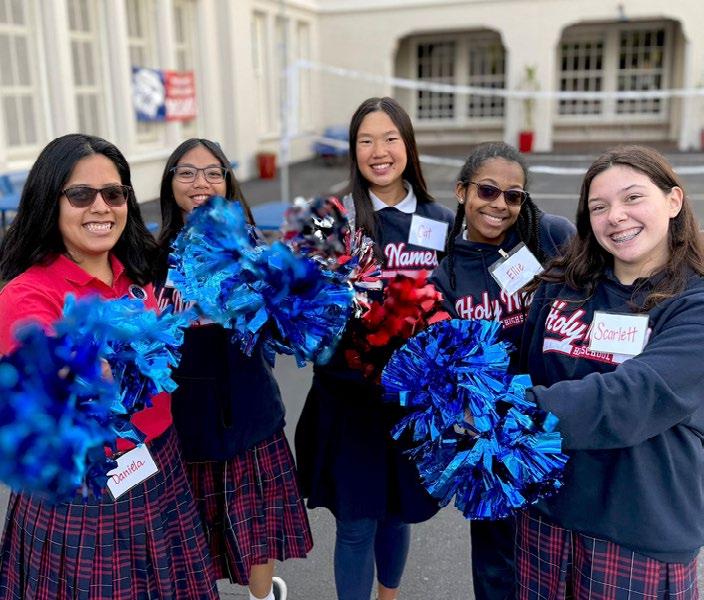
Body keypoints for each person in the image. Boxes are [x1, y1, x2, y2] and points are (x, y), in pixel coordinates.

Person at [0, 133, 218, 599]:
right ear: (50, 202)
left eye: (113, 194)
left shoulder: (140, 268)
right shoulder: (26, 295)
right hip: (82, 489)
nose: (101, 207)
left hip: (159, 462)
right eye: (81, 194)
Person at [517, 145, 704, 600]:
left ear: (674, 201)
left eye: (632, 198)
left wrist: (507, 409)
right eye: (598, 207)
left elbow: (634, 396)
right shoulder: (563, 286)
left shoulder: (693, 304)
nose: (615, 216)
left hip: (637, 529)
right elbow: (522, 369)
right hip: (546, 514)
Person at [295, 97, 455, 600]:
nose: (378, 151)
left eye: (390, 138)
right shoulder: (329, 218)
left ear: (408, 145)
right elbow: (305, 310)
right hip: (349, 401)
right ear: (353, 149)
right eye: (366, 140)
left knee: (396, 513)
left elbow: (458, 302)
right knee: (356, 522)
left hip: (411, 402)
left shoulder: (441, 220)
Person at [155, 138, 313, 600]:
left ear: (227, 182)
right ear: (170, 183)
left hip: (249, 408)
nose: (200, 182)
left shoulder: (251, 248)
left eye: (212, 172)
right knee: (191, 532)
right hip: (183, 416)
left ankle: (262, 597)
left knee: (256, 523)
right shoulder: (151, 256)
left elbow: (282, 328)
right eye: (187, 172)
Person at [430, 141, 575, 600]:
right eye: (488, 191)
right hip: (491, 436)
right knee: (497, 562)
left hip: (551, 418)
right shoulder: (446, 274)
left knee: (555, 549)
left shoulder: (547, 236)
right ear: (462, 192)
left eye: (513, 196)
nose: (499, 205)